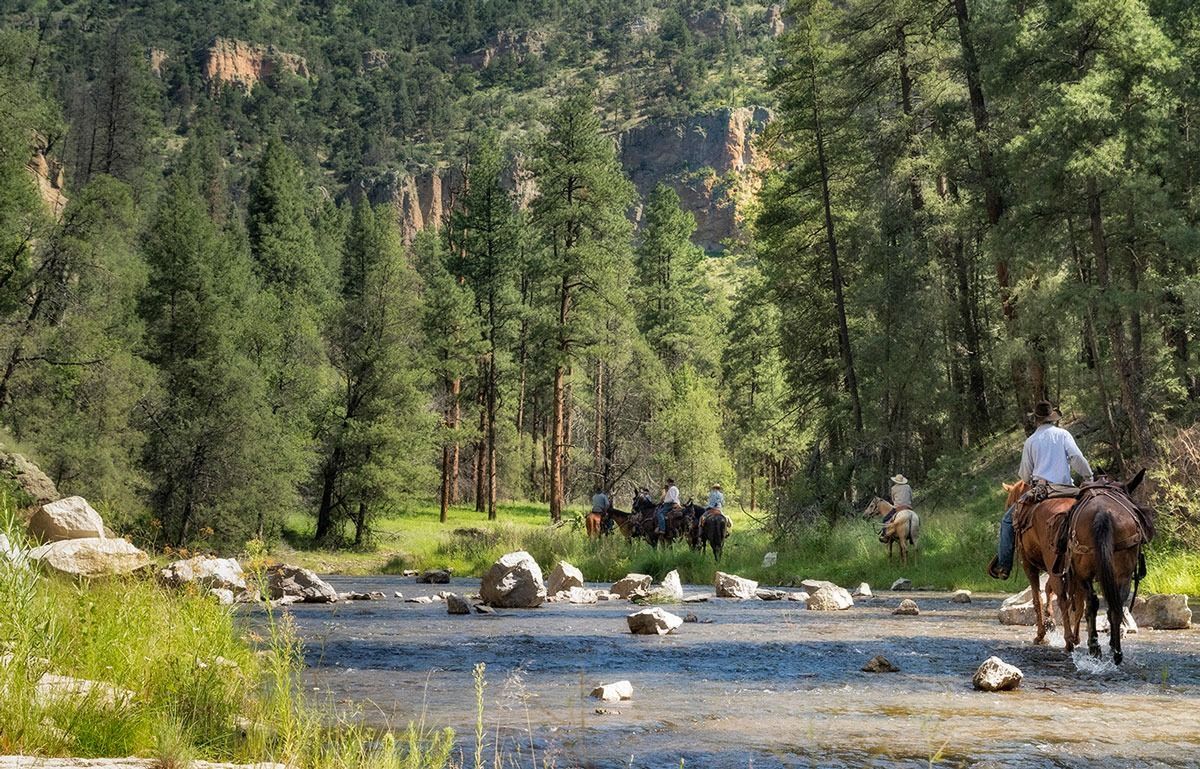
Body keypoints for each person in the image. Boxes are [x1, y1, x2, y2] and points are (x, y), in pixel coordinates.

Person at [987, 400, 1093, 580]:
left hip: (1043, 490)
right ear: (1053, 418)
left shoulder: (1031, 441)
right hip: (1068, 489)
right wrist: (1089, 477)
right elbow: (1076, 457)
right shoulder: (1063, 435)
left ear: (1037, 420)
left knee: (1006, 522)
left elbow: (1025, 474)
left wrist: (1033, 478)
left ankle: (1004, 565)